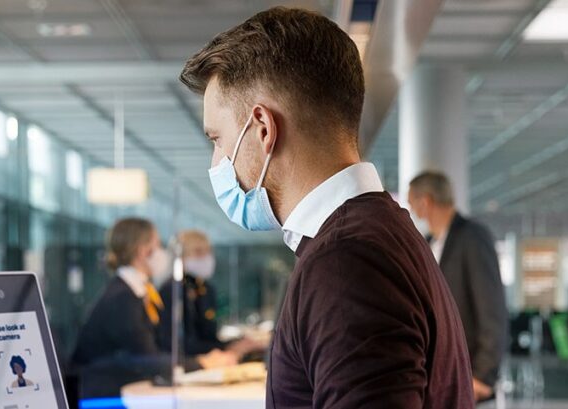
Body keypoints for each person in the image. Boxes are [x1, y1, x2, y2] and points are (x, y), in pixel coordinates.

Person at [180, 7, 474, 408]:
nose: (217, 161)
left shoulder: (346, 260)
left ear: (263, 129)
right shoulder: (382, 229)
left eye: (217, 138)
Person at [72, 218, 237, 398]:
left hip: (122, 389)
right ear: (143, 251)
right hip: (102, 395)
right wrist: (201, 363)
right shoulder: (122, 297)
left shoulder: (138, 292)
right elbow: (145, 358)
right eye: (158, 245)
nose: (163, 253)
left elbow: (157, 349)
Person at [407, 171, 508, 403]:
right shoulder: (428, 242)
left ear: (426, 201)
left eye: (412, 202)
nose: (411, 210)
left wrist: (484, 375)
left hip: (468, 374)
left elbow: (492, 308)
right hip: (436, 379)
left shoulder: (473, 237)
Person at [157, 229, 263, 356]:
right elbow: (181, 345)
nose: (205, 257)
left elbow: (208, 338)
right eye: (198, 252)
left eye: (208, 251)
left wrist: (238, 343)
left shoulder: (206, 289)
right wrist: (227, 347)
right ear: (180, 256)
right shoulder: (172, 291)